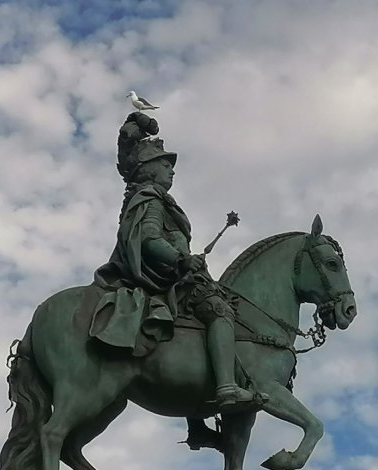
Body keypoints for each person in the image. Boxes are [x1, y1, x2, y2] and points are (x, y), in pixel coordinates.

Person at [93, 134, 260, 416]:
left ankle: (196, 421)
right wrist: (182, 260)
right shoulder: (152, 199)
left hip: (174, 274)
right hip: (167, 277)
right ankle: (227, 387)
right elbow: (148, 239)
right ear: (150, 169)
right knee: (219, 310)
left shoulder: (155, 199)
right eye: (165, 165)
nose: (171, 170)